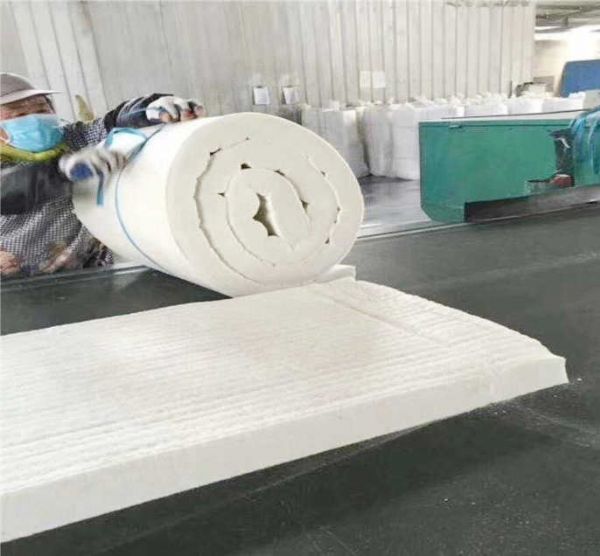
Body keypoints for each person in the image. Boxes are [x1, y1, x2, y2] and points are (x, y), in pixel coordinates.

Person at [0, 72, 205, 278]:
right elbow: (9, 189)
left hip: (90, 276)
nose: (35, 120)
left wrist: (149, 108)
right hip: (19, 284)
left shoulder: (74, 139)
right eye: (19, 115)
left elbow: (114, 122)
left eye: (41, 110)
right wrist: (62, 172)